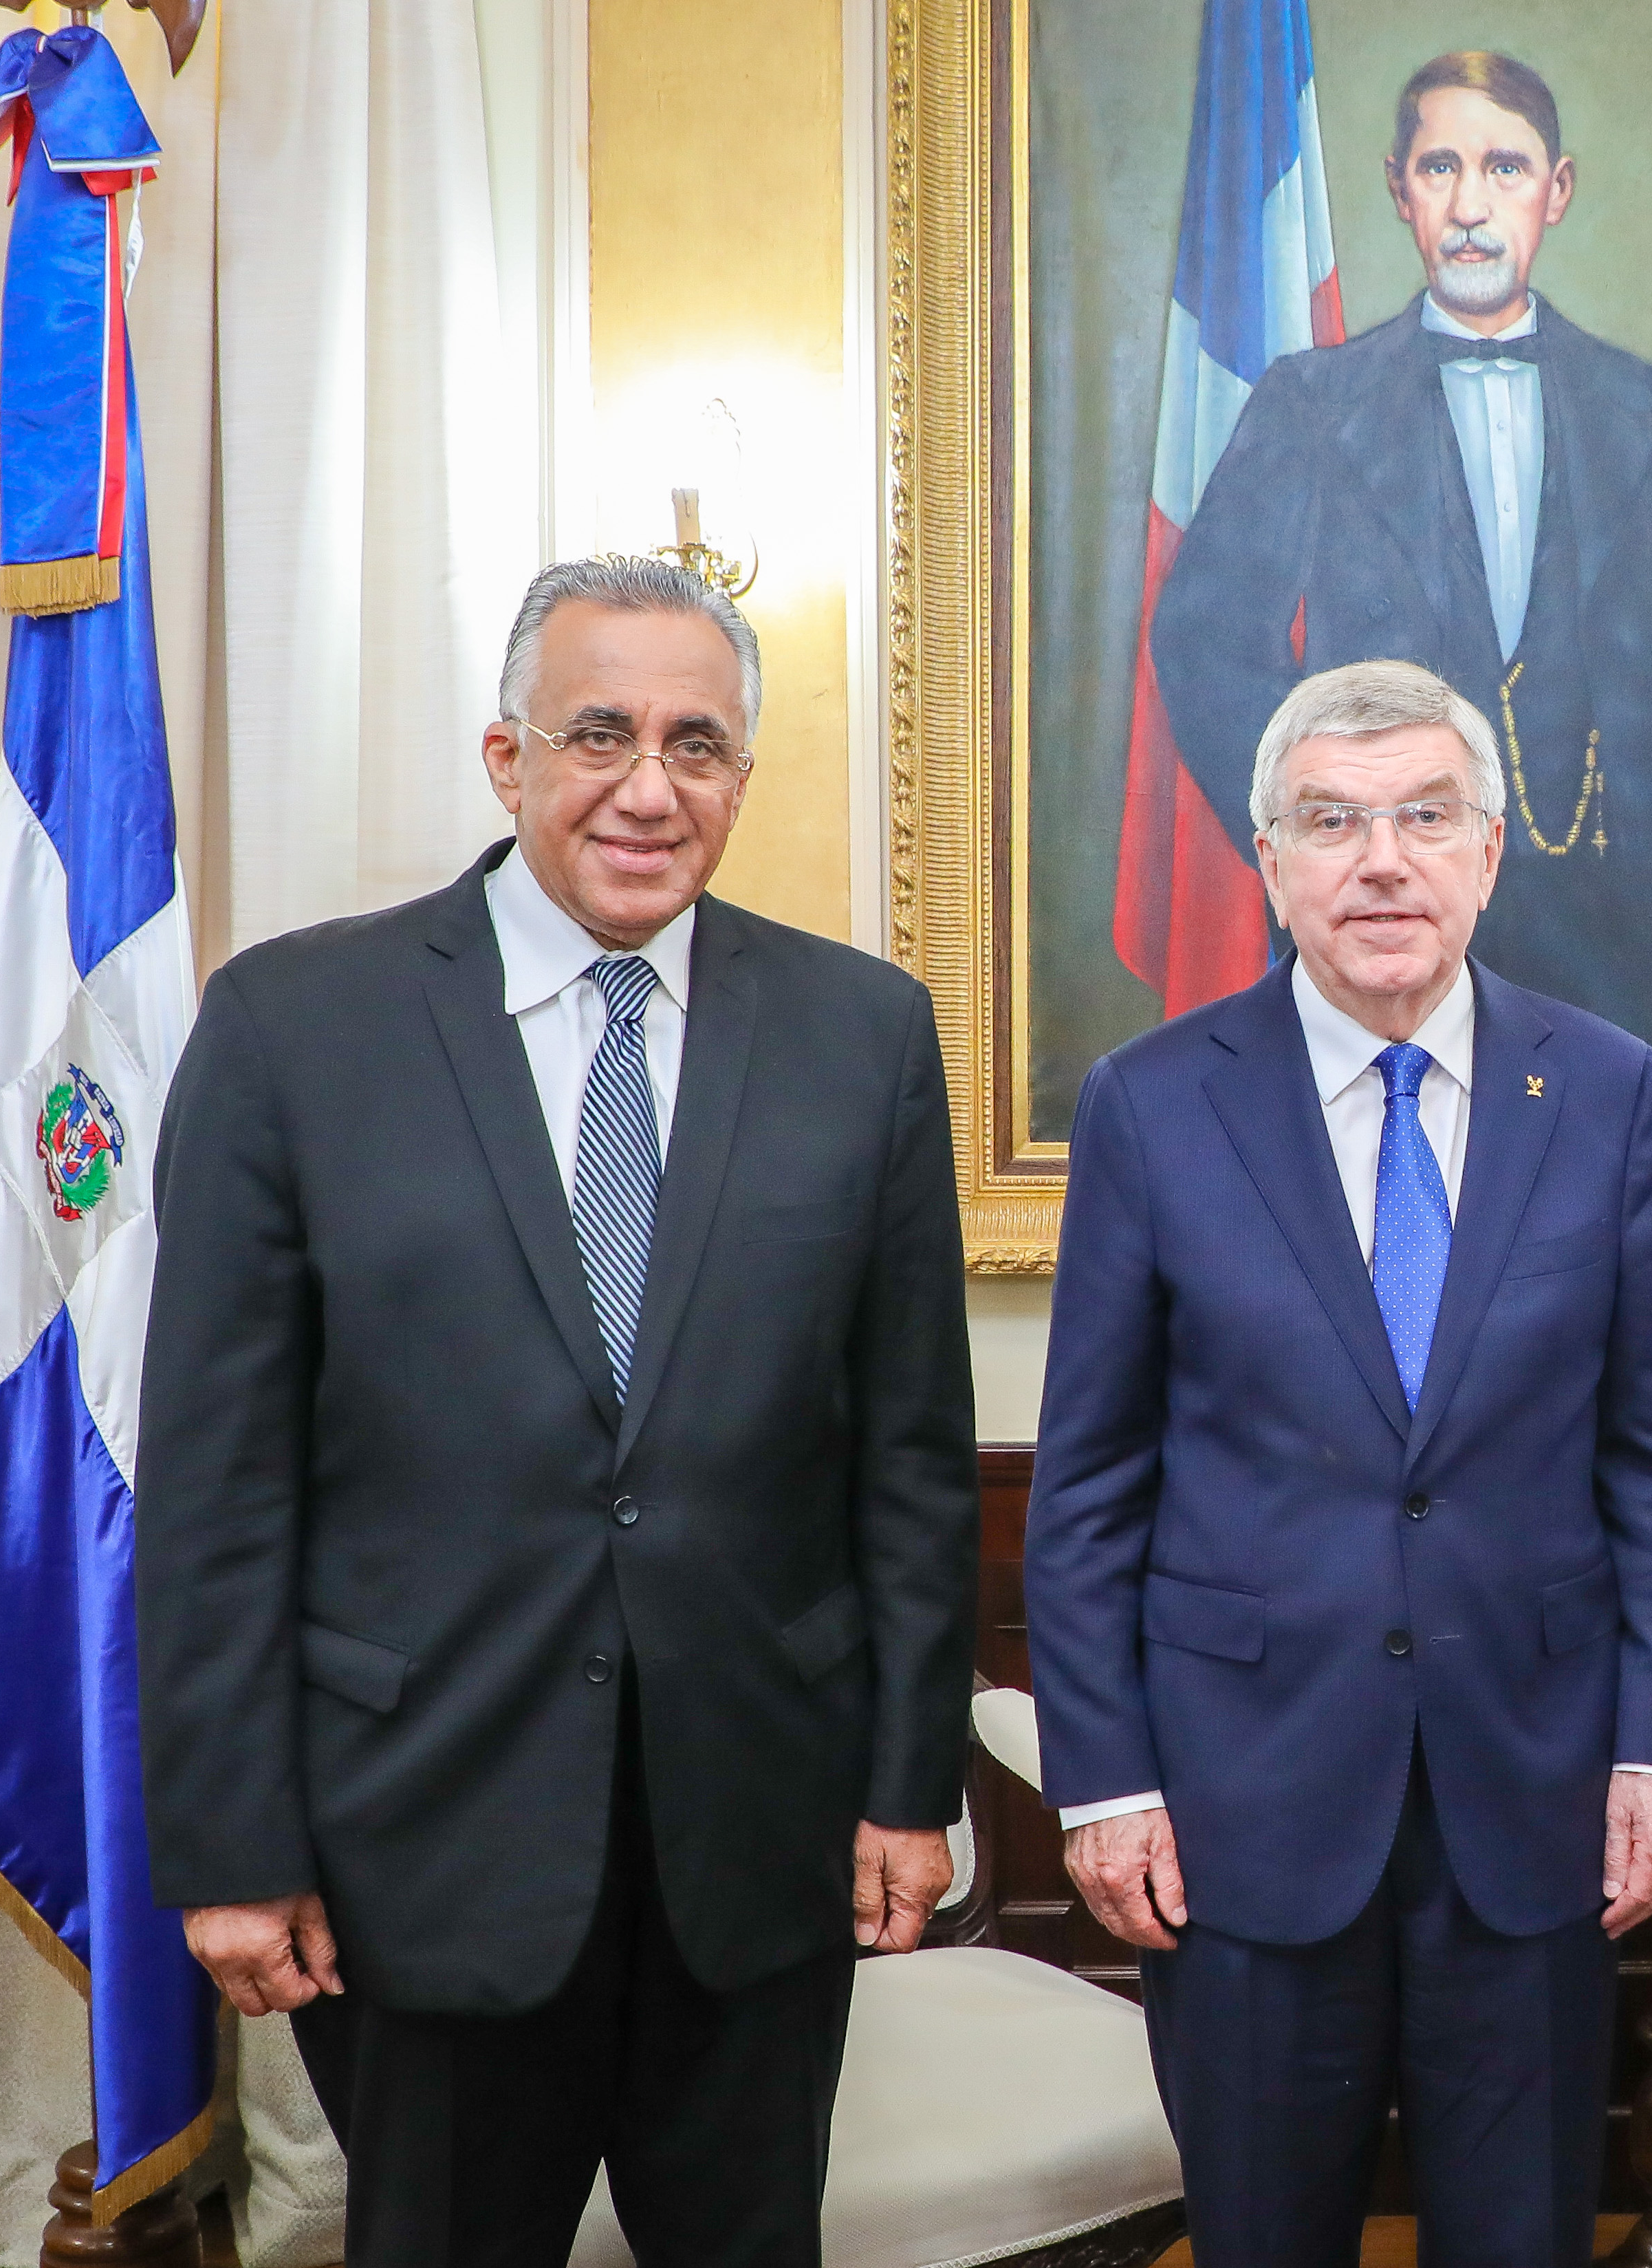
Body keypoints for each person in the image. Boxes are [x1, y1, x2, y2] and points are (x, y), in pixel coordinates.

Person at [136, 557, 982, 2267]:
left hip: (757, 1839)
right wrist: (232, 1843)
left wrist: (911, 1785)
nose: (648, 787)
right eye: (599, 734)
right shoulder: (297, 1025)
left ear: (741, 775)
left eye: (697, 743)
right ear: (506, 756)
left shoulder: (864, 1033)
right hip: (420, 1838)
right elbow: (218, 1483)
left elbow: (907, 1455)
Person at [1025, 658, 1652, 2268]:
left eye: (1425, 816)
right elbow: (1088, 1490)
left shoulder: (1607, 1088)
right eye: (1333, 822)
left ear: (1490, 850)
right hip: (1239, 1806)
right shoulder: (1152, 1103)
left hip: (1537, 1799)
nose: (1382, 861)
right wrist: (1109, 1782)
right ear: (1268, 859)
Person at [1149, 50, 1652, 1114]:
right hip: (1385, 908)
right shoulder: (1309, 403)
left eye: (1505, 169)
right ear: (1400, 190)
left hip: (1615, 924)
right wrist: (1323, 825)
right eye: (1441, 168)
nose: (1472, 208)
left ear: (1556, 190)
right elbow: (1203, 641)